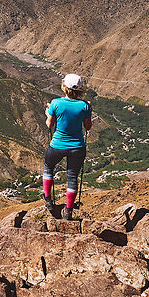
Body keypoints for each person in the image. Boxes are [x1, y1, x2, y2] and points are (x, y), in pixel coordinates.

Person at [43, 73, 92, 220]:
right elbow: (88, 127)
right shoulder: (84, 106)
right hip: (77, 146)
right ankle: (68, 210)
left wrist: (48, 112)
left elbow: (49, 125)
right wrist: (87, 111)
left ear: (64, 87)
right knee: (72, 177)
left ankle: (48, 200)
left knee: (48, 167)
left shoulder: (56, 103)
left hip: (58, 145)